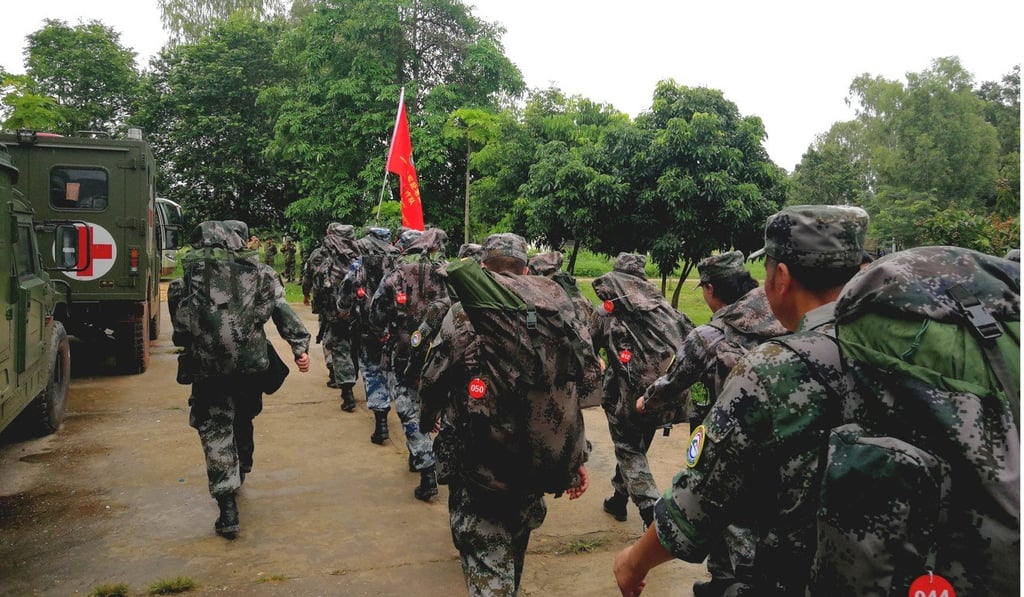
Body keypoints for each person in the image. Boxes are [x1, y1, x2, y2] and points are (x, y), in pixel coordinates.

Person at [614, 204, 869, 596]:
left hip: (789, 561)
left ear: (781, 277)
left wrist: (634, 561)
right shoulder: (891, 346)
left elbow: (699, 499)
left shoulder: (768, 365)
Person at [418, 233, 594, 596]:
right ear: (525, 268)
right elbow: (568, 390)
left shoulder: (464, 314)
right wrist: (576, 455)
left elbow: (433, 376)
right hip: (534, 464)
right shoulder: (555, 314)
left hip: (481, 467)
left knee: (487, 561)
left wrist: (426, 418)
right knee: (513, 553)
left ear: (484, 268)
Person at [635, 250, 788, 596]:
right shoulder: (786, 315)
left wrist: (646, 401)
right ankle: (721, 578)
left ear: (709, 288)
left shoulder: (710, 335)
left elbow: (674, 381)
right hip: (791, 432)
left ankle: (741, 581)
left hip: (730, 442)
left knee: (728, 509)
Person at [168, 220, 311, 539]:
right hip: (250, 366)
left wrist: (199, 341)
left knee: (216, 430)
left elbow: (180, 324)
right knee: (244, 416)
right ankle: (243, 464)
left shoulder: (190, 273)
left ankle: (227, 508)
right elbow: (282, 310)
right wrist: (299, 347)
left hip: (208, 369)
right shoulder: (261, 272)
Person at [591, 253, 694, 530]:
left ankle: (653, 516)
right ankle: (618, 498)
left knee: (629, 451)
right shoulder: (664, 310)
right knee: (636, 444)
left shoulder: (608, 312)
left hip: (625, 397)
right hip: (663, 395)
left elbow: (587, 346)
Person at [369, 227, 448, 500]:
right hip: (444, 355)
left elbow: (376, 313)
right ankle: (425, 458)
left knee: (409, 409)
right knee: (442, 407)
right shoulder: (448, 272)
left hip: (405, 353)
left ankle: (427, 472)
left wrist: (383, 334)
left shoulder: (395, 275)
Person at [351, 227, 399, 444]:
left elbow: (345, 290)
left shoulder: (360, 263)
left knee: (372, 371)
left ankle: (381, 420)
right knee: (393, 369)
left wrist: (344, 309)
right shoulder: (401, 260)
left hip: (369, 326)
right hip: (397, 329)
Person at [314, 224, 362, 411]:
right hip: (358, 313)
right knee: (355, 348)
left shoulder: (323, 255)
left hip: (334, 313)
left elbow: (316, 282)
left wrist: (320, 308)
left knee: (341, 350)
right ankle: (351, 381)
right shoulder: (361, 255)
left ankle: (348, 393)